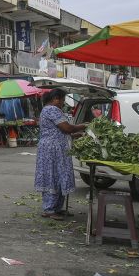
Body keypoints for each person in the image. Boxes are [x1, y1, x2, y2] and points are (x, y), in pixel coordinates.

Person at [34, 88, 86, 220]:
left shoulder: (49, 109)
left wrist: (75, 134)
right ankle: (49, 209)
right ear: (56, 99)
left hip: (55, 147)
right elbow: (66, 128)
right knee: (53, 176)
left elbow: (59, 131)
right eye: (62, 100)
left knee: (59, 175)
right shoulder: (52, 109)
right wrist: (83, 126)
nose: (63, 103)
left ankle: (56, 208)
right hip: (52, 149)